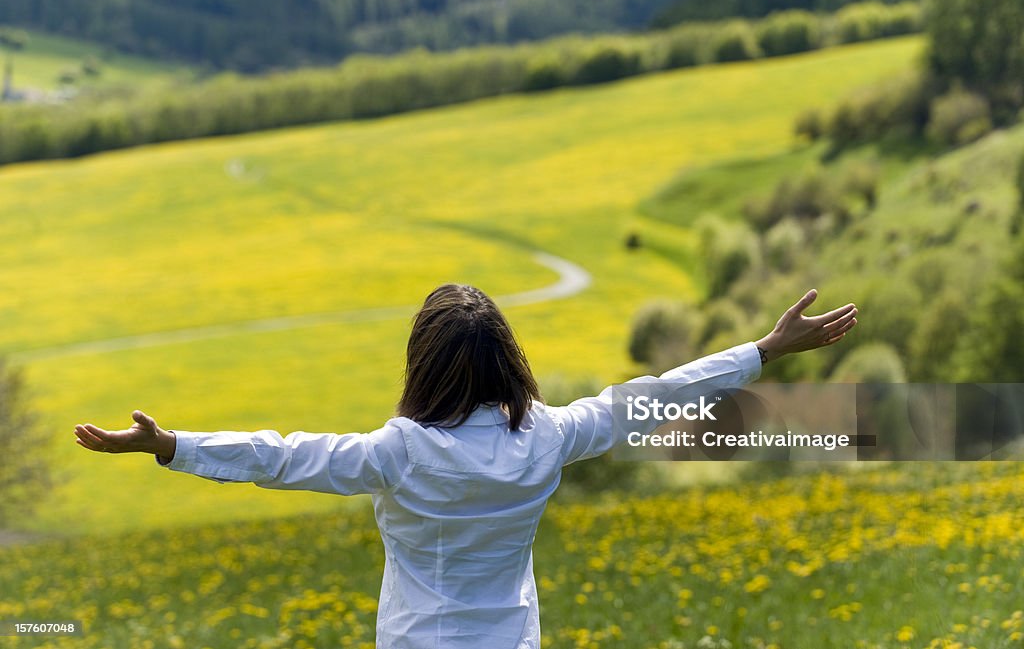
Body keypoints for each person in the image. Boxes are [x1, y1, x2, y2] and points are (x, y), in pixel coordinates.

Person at [74, 285, 857, 648]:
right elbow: (657, 396)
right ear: (510, 361)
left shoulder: (399, 452)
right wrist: (763, 349)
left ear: (424, 364)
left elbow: (281, 456)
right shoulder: (549, 435)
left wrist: (171, 444)